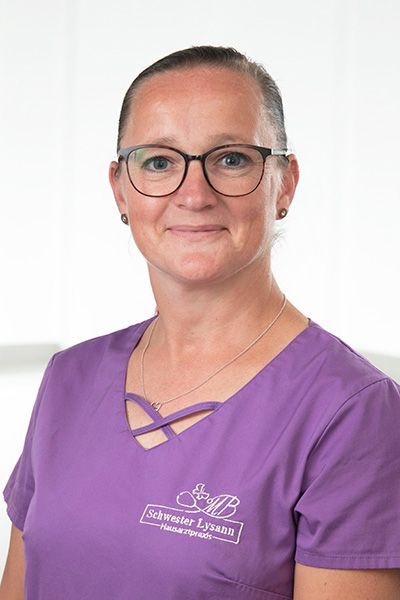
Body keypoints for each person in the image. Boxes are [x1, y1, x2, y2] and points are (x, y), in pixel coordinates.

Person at [1, 45, 399, 600]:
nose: (193, 194)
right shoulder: (70, 378)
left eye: (231, 159)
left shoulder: (352, 411)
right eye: (158, 162)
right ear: (120, 188)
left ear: (284, 183)